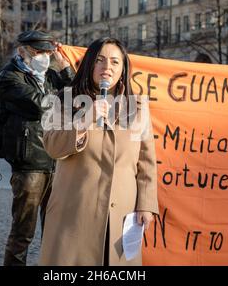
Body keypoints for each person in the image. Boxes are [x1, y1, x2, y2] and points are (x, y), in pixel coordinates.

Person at [38, 37, 159, 266]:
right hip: (74, 215)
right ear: (90, 64)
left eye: (115, 62)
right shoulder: (66, 100)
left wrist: (146, 204)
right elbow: (52, 146)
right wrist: (86, 120)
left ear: (123, 70)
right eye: (100, 60)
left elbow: (147, 162)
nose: (107, 68)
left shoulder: (138, 107)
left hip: (121, 215)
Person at [0, 30, 74, 266]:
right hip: (29, 161)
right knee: (23, 232)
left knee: (53, 229)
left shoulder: (51, 75)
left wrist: (64, 68)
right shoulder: (10, 77)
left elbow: (78, 97)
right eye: (40, 52)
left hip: (56, 159)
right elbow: (40, 105)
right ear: (24, 52)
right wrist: (63, 99)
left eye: (48, 52)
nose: (45, 57)